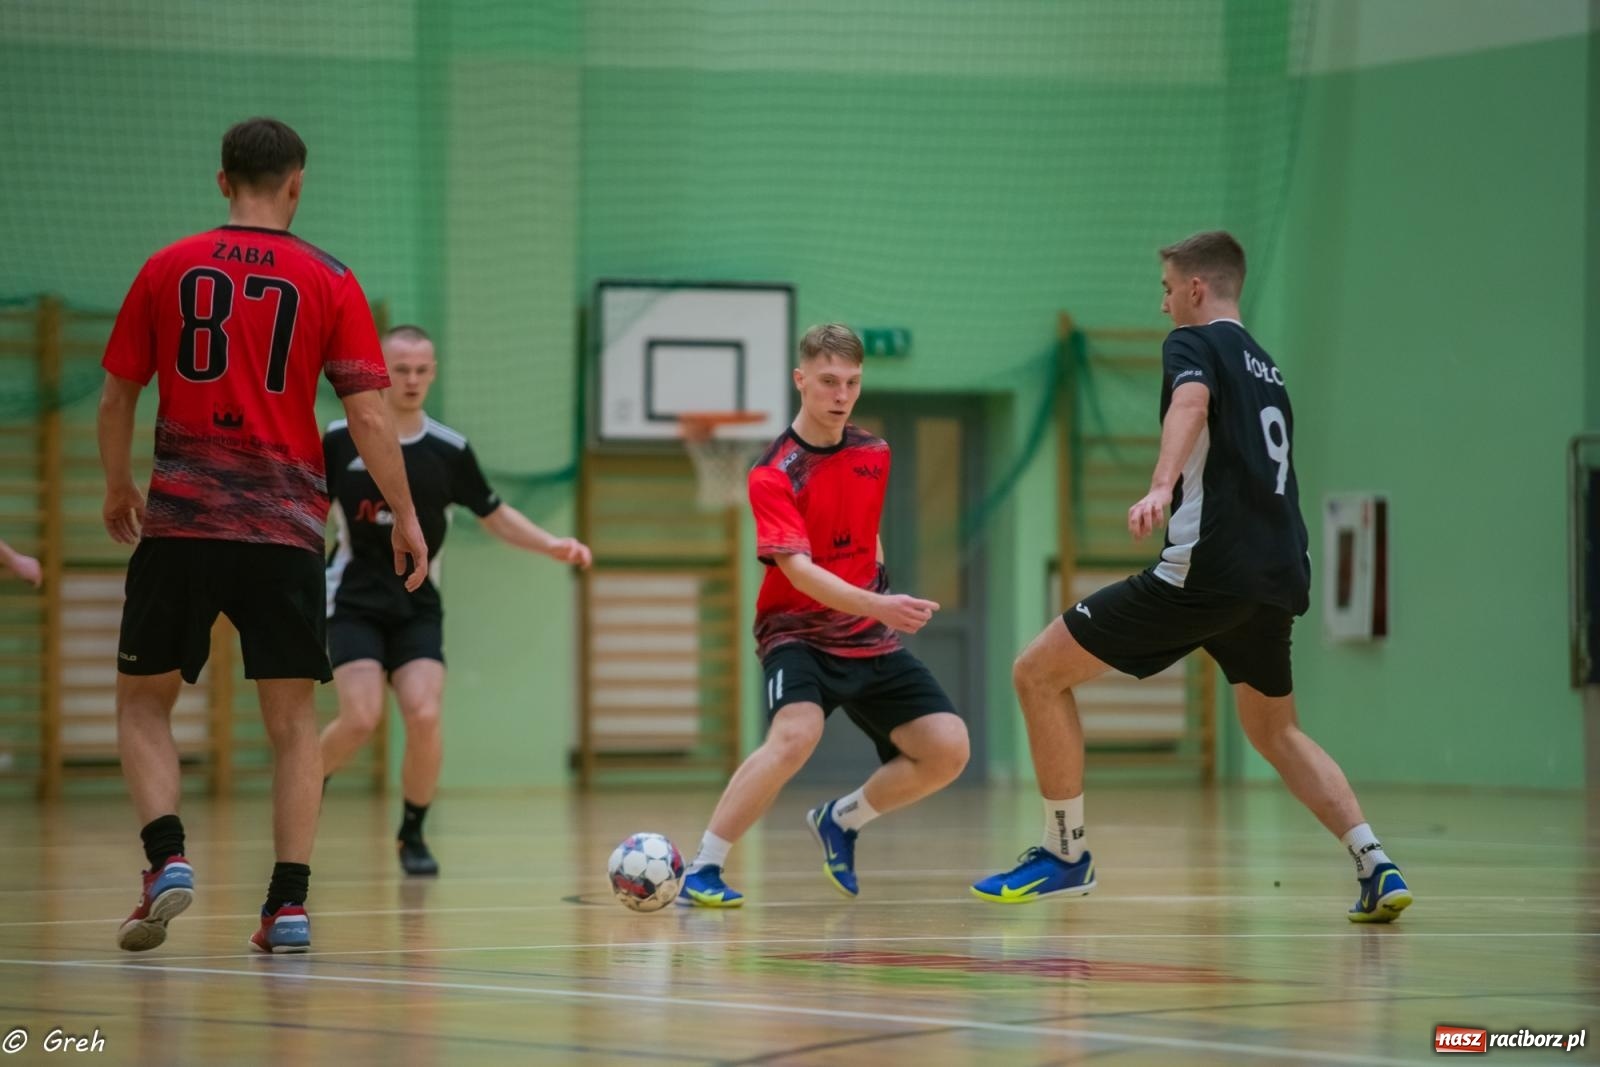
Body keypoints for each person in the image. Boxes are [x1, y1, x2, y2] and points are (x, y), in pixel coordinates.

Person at [971, 231, 1412, 923]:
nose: (1163, 303)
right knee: (1276, 731)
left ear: (1197, 289)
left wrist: (1157, 484)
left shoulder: (1193, 343)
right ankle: (1376, 862)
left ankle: (1065, 854)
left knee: (1036, 671)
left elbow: (1190, 405)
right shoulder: (1267, 365)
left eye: (1168, 288)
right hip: (1277, 573)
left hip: (1208, 570)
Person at [99, 117, 427, 954]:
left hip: (182, 521)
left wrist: (117, 483)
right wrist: (405, 514)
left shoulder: (166, 267)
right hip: (284, 533)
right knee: (291, 724)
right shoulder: (331, 278)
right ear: (297, 183)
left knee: (144, 702)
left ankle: (167, 859)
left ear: (221, 182)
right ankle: (287, 906)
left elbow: (116, 396)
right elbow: (367, 414)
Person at [678, 323, 970, 907]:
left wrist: (877, 594)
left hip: (867, 635)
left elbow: (865, 533)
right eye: (829, 381)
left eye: (853, 383)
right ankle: (703, 870)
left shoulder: (872, 453)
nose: (841, 394)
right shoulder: (773, 472)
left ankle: (841, 818)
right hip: (797, 633)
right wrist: (878, 603)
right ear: (801, 380)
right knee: (795, 735)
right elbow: (799, 571)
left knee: (948, 748)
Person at [319, 324, 593, 875]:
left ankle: (413, 833)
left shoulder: (448, 450)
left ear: (433, 373)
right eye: (401, 369)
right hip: (353, 598)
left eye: (422, 370)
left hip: (418, 603)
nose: (412, 380)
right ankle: (307, 781)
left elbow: (493, 514)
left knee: (423, 713)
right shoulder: (340, 439)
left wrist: (551, 544)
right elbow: (303, 511)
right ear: (381, 372)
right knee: (361, 716)